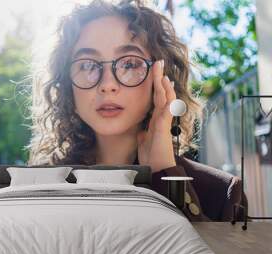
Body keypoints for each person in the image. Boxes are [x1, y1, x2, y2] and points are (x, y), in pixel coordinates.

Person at [26, 0, 245, 221]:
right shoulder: (32, 191)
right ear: (66, 83)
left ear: (161, 76)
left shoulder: (221, 194)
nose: (107, 84)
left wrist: (163, 173)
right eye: (88, 65)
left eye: (130, 64)